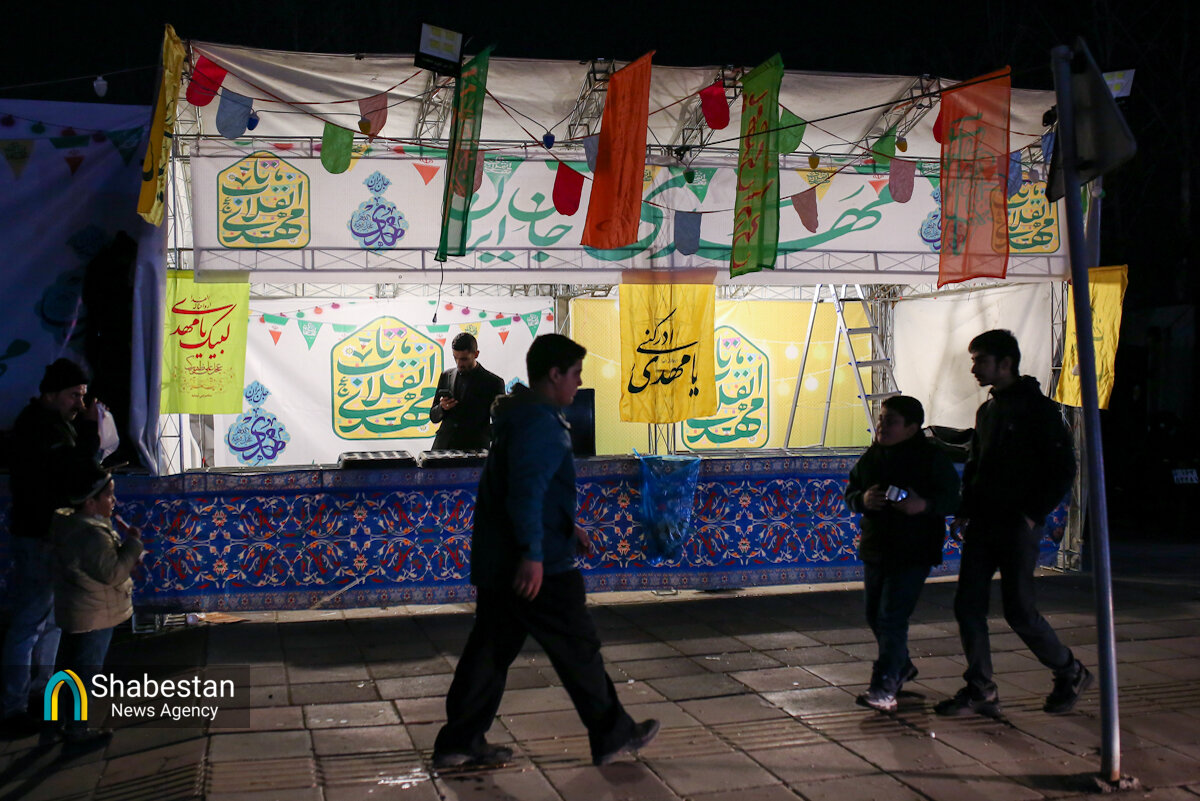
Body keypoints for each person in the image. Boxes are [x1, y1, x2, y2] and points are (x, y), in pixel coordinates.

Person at [432, 334, 658, 769]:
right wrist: (533, 555)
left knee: (490, 650)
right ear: (554, 374)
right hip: (539, 566)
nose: (579, 383)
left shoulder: (521, 414)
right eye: (575, 374)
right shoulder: (538, 422)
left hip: (506, 557)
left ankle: (458, 741)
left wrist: (568, 525)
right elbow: (525, 493)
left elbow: (532, 486)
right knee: (577, 646)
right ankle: (613, 733)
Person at [936, 329, 1091, 717]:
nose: (974, 368)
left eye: (980, 360)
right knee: (968, 605)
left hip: (1016, 526)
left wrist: (1031, 513)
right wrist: (966, 510)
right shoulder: (988, 411)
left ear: (1005, 364)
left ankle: (1069, 670)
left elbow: (1063, 467)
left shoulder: (1038, 410)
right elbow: (977, 465)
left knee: (1019, 610)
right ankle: (981, 688)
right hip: (983, 523)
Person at [1, 358, 101, 738]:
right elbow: (75, 471)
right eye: (74, 395)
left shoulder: (51, 424)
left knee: (49, 621)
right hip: (40, 536)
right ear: (51, 394)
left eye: (83, 396)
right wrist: (90, 431)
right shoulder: (41, 428)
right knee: (31, 621)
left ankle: (39, 697)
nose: (80, 404)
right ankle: (13, 707)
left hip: (50, 535)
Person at [845, 395, 961, 712]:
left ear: (911, 428)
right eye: (881, 419)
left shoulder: (931, 458)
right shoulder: (875, 455)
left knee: (891, 616)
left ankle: (884, 686)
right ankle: (901, 665)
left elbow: (952, 498)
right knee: (874, 614)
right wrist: (862, 500)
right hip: (877, 546)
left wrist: (923, 505)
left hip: (913, 550)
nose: (882, 426)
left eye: (891, 421)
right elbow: (852, 491)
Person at [51, 460, 143, 743]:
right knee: (86, 672)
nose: (113, 501)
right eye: (108, 495)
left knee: (68, 669)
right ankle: (77, 730)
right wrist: (132, 546)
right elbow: (112, 573)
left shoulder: (70, 525)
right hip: (94, 613)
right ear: (90, 502)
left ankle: (57, 720)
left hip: (78, 609)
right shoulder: (91, 535)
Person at [428, 332, 506, 451]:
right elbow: (433, 416)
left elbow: (502, 424)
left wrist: (481, 435)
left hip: (475, 451)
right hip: (443, 448)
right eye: (455, 358)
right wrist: (442, 408)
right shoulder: (446, 375)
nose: (459, 363)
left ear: (476, 354)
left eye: (464, 359)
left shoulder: (493, 382)